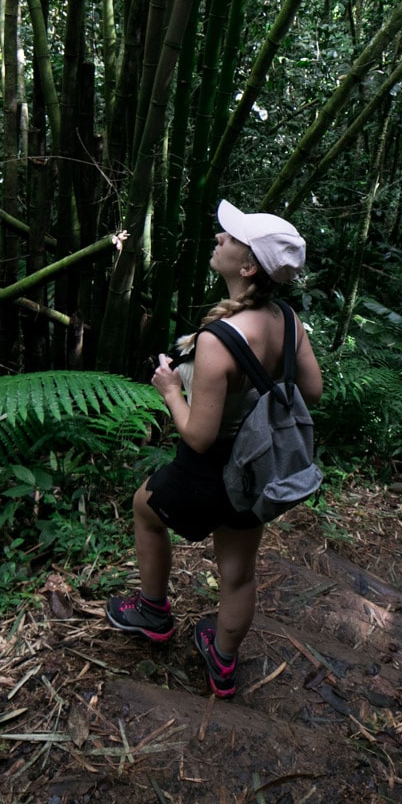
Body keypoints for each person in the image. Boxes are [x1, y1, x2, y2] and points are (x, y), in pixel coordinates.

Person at [105, 201, 324, 697]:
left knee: (144, 508)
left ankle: (153, 611)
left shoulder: (218, 338)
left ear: (247, 267)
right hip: (257, 470)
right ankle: (223, 663)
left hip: (208, 468)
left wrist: (169, 391)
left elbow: (198, 436)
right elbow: (312, 391)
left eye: (228, 238)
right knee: (237, 571)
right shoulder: (288, 321)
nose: (218, 240)